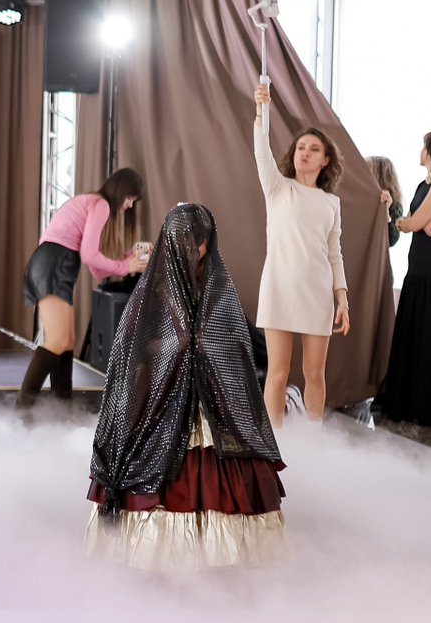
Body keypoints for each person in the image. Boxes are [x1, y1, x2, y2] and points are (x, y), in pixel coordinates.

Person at [87, 203, 287, 570]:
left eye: (197, 240)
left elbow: (236, 343)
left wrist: (203, 347)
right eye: (183, 239)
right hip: (161, 398)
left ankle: (223, 551)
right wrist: (173, 347)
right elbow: (132, 348)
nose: (191, 247)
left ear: (208, 243)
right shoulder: (153, 289)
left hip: (211, 397)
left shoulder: (218, 288)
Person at [252, 83, 348, 425]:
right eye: (300, 147)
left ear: (326, 159)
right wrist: (261, 110)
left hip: (317, 293)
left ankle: (313, 443)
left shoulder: (331, 203)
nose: (304, 153)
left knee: (314, 374)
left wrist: (342, 299)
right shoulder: (277, 188)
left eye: (314, 149)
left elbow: (334, 254)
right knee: (277, 373)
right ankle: (274, 445)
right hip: (279, 289)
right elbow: (261, 150)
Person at [17, 168, 149, 407]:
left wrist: (127, 259)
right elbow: (89, 256)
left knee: (67, 340)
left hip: (57, 264)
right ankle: (22, 410)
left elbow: (97, 270)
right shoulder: (100, 204)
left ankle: (61, 410)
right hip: (54, 264)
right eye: (130, 198)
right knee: (58, 340)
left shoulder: (93, 203)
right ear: (121, 190)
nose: (130, 205)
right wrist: (125, 266)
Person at [374, 130, 431, 425]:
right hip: (418, 270)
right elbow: (413, 221)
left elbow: (413, 223)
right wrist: (408, 221)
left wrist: (408, 222)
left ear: (430, 150)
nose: (421, 150)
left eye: (424, 145)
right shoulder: (426, 183)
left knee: (427, 342)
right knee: (412, 338)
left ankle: (424, 407)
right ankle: (407, 404)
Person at [365, 155, 405, 249]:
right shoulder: (360, 199)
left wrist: (385, 212)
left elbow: (391, 239)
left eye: (367, 171)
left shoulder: (394, 206)